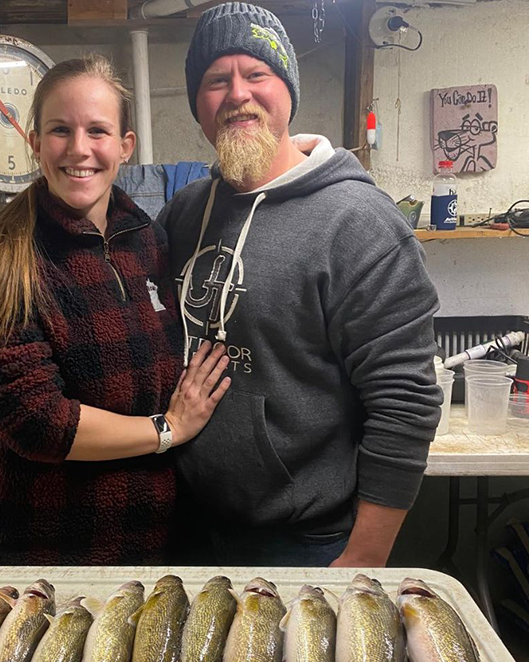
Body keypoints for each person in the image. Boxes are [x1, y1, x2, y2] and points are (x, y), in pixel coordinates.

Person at [158, 3, 442, 568]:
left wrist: (365, 555)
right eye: (217, 79)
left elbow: (405, 401)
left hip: (307, 543)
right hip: (188, 525)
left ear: (287, 89)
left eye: (256, 74)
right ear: (198, 103)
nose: (238, 93)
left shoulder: (357, 221)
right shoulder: (185, 213)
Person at [0, 55, 230, 566]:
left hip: (153, 537)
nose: (79, 149)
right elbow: (37, 422)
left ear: (125, 147)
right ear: (34, 142)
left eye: (98, 131)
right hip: (44, 543)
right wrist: (169, 429)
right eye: (60, 130)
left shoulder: (148, 239)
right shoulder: (1, 260)